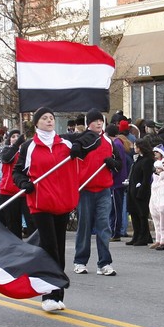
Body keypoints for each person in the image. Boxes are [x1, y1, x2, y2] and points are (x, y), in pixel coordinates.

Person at [13, 106, 96, 312]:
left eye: (51, 117)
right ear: (37, 123)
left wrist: (78, 146)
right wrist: (24, 183)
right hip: (41, 203)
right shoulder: (29, 146)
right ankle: (47, 294)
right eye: (45, 118)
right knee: (49, 248)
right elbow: (17, 172)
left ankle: (58, 294)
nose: (49, 121)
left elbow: (93, 138)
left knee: (59, 248)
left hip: (63, 202)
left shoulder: (66, 142)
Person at [73, 109, 119, 276]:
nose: (99, 123)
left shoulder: (108, 141)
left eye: (101, 120)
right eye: (95, 121)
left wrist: (112, 162)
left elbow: (119, 163)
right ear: (88, 123)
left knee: (103, 227)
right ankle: (80, 261)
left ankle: (104, 263)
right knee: (84, 226)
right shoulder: (81, 140)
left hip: (104, 190)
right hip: (85, 189)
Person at [0, 130, 27, 238]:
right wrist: (16, 145)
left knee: (32, 223)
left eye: (18, 136)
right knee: (13, 224)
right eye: (13, 136)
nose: (16, 138)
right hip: (9, 191)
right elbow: (6, 158)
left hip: (25, 190)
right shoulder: (5, 150)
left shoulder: (27, 151)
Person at [125, 139, 154, 246]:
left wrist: (141, 190)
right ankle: (136, 235)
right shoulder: (138, 159)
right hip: (133, 190)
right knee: (134, 213)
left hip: (141, 191)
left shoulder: (147, 160)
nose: (134, 148)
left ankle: (144, 236)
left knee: (142, 214)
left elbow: (146, 178)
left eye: (136, 146)